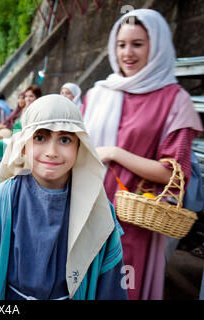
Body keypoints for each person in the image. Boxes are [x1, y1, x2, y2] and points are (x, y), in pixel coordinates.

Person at [0, 94, 127, 300]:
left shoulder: (97, 210)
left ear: (79, 147)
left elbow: (110, 285)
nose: (51, 152)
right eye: (40, 137)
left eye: (65, 139)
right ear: (23, 145)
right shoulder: (0, 201)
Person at [81, 9, 203, 300]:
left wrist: (115, 153)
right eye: (121, 44)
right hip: (87, 212)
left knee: (124, 290)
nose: (127, 53)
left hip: (134, 221)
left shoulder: (175, 101)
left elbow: (174, 174)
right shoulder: (98, 94)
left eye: (138, 44)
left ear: (157, 45)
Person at [0, 85, 42, 188]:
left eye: (31, 96)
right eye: (26, 96)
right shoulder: (23, 110)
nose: (27, 99)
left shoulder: (37, 111)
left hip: (24, 140)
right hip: (14, 137)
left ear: (37, 98)